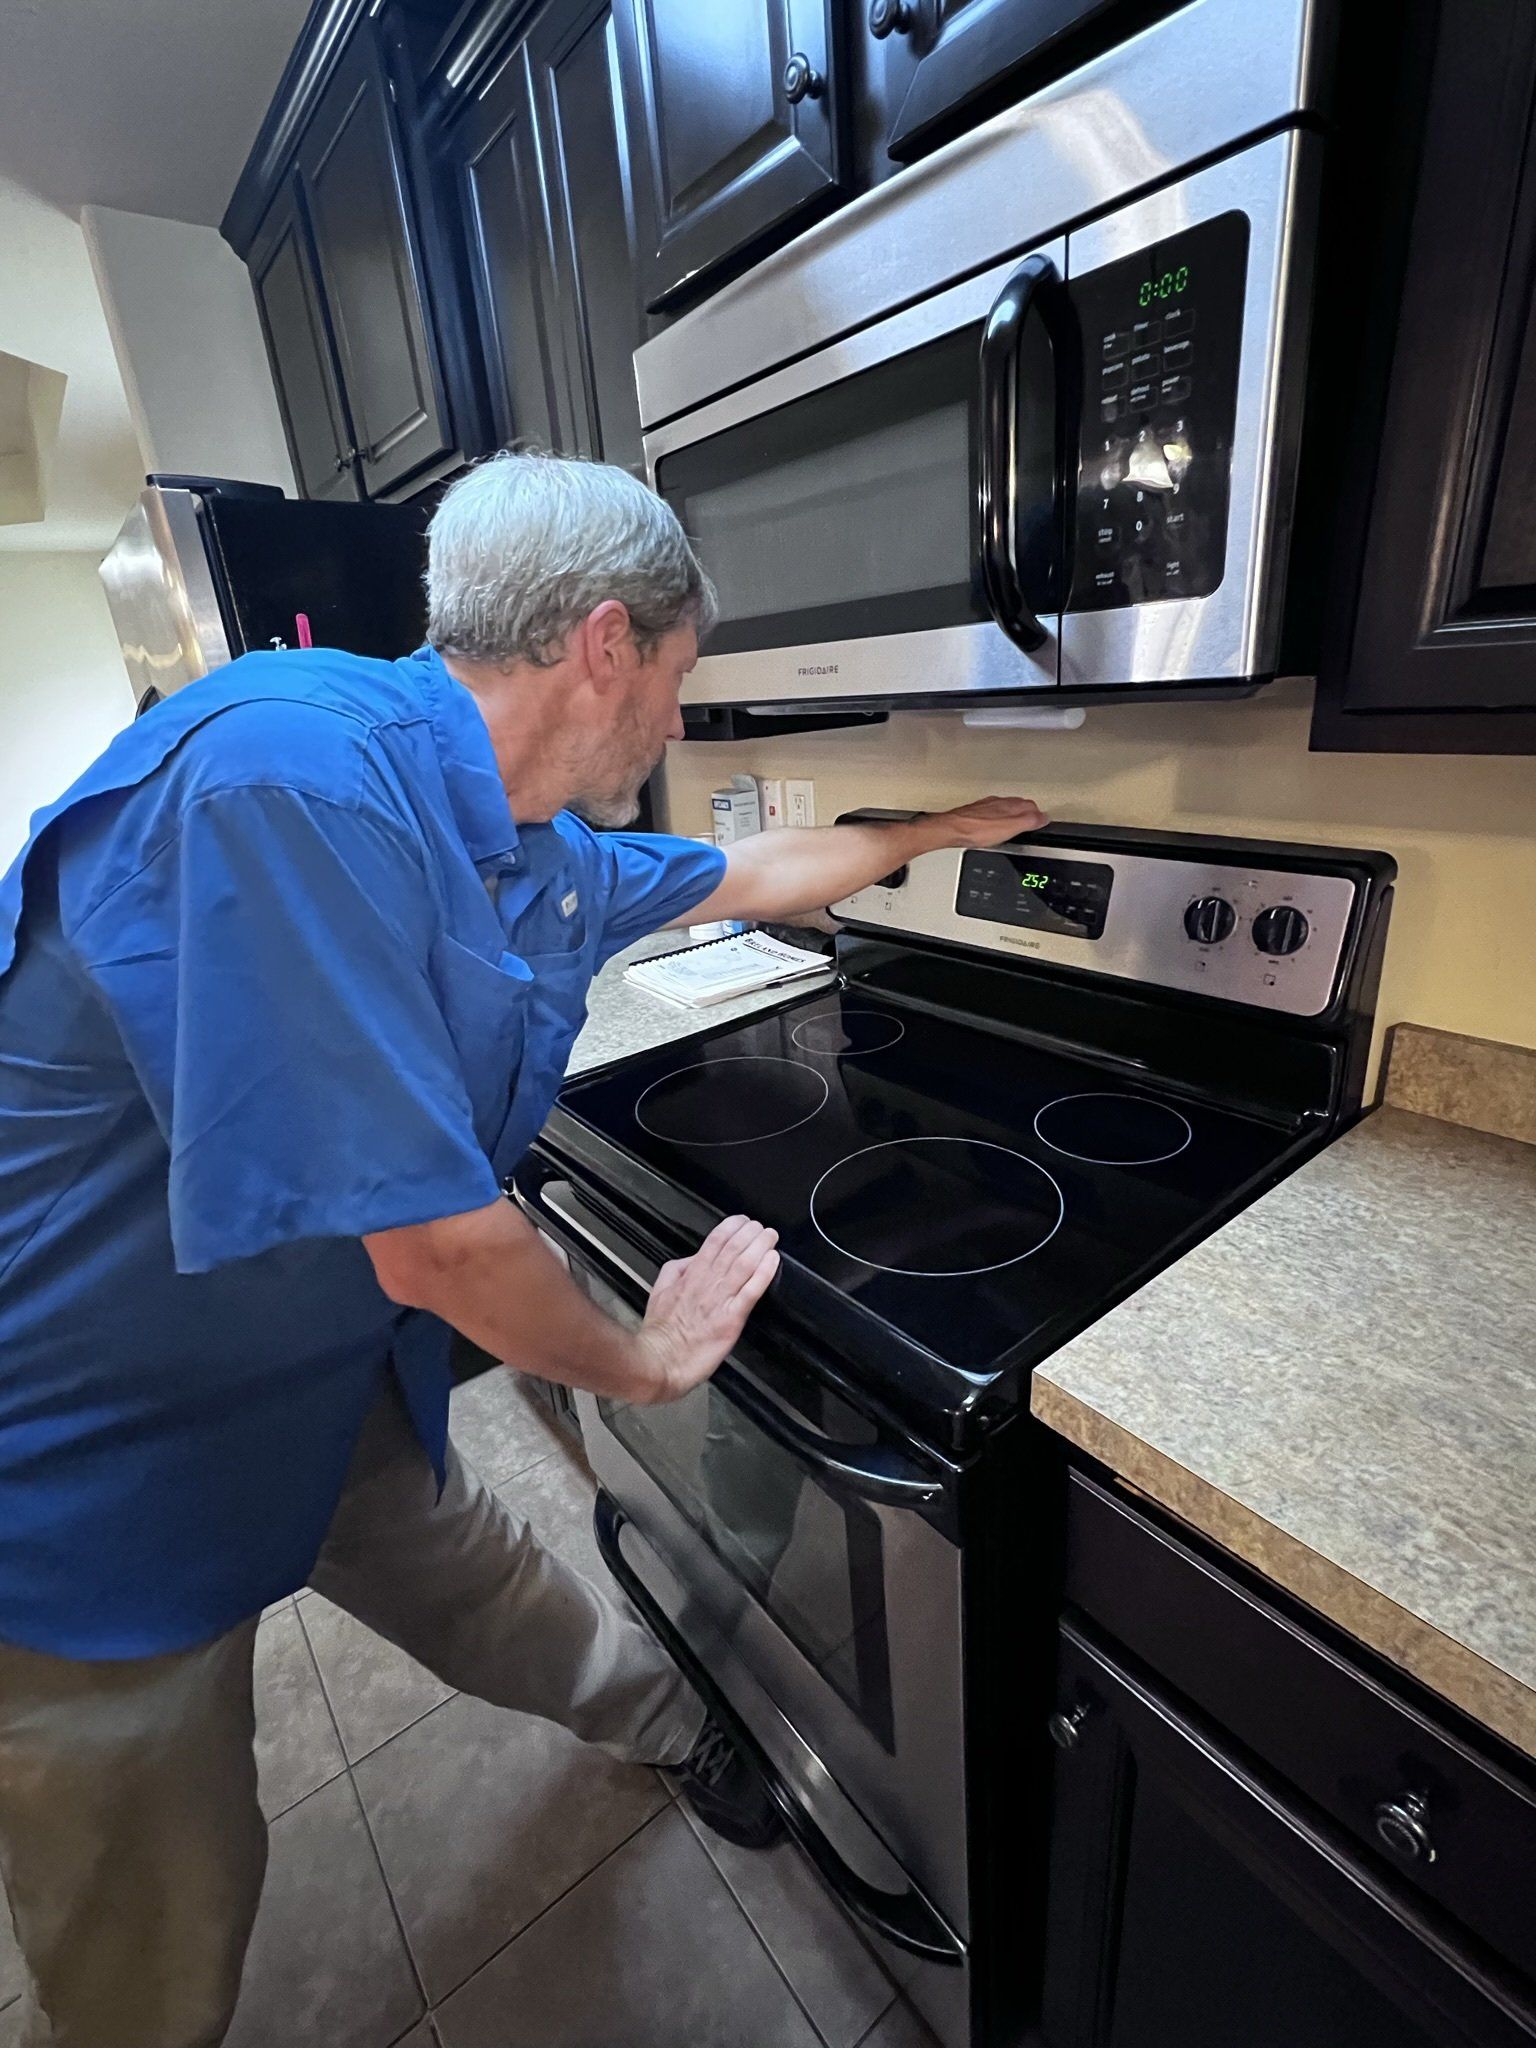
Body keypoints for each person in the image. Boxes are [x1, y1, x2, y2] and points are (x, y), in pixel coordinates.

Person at [0, 449, 1045, 2048]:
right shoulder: (290, 778)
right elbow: (438, 1245)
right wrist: (640, 1361)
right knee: (156, 1883)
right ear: (606, 645)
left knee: (476, 1570)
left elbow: (753, 874)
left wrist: (959, 823)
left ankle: (666, 1721)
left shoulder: (517, 838)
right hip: (87, 1439)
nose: (679, 728)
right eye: (682, 680)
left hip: (306, 1360)